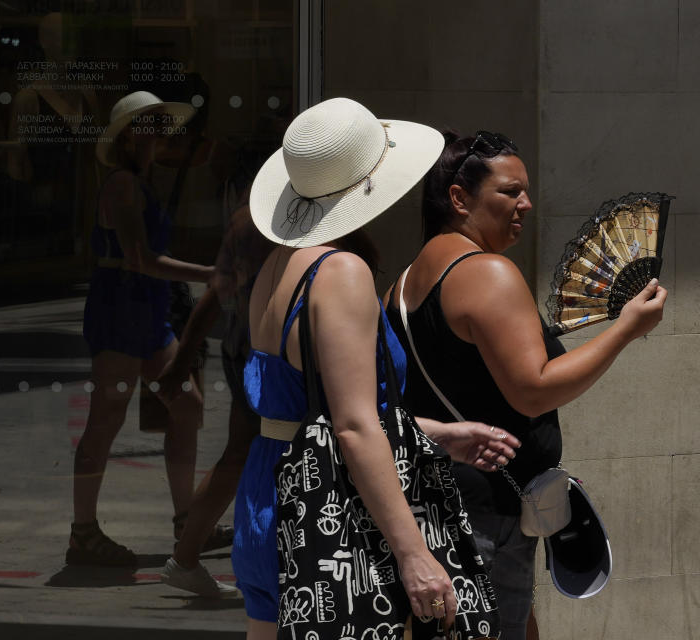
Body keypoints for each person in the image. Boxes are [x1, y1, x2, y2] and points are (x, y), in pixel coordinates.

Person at [233, 99, 519, 640]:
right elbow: (353, 426)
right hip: (325, 509)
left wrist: (437, 434)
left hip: (268, 497)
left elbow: (310, 410)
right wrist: (414, 555)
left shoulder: (277, 265)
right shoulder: (340, 271)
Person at [384, 130, 667, 639]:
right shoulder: (486, 272)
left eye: (526, 190)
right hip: (487, 514)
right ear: (459, 198)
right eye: (510, 191)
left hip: (432, 501)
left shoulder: (403, 281)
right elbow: (532, 390)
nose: (526, 204)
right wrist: (625, 329)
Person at [66, 91, 214, 567]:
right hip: (122, 308)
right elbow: (140, 259)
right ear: (128, 133)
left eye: (159, 124)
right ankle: (83, 534)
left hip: (145, 310)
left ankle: (186, 521)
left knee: (186, 405)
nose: (156, 134)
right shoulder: (124, 185)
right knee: (105, 422)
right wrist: (211, 275)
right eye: (147, 125)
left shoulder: (141, 182)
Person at [158, 205, 272, 597]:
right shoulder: (269, 218)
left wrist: (184, 357)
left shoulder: (248, 215)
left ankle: (187, 556)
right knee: (254, 454)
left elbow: (218, 288)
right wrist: (182, 358)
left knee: (239, 456)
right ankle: (190, 557)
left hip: (247, 346)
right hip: (266, 350)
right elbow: (219, 288)